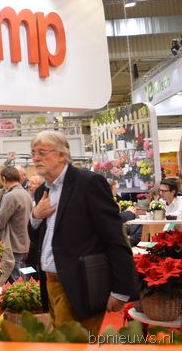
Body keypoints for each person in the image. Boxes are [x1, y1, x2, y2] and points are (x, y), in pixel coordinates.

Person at [28, 131, 137, 335]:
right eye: (33, 153)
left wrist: (121, 289)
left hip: (81, 286)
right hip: (50, 285)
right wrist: (35, 216)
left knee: (73, 344)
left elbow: (114, 237)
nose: (35, 158)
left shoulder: (88, 183)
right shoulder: (42, 191)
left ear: (62, 155)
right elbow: (38, 239)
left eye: (42, 152)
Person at [0, 166, 32, 283]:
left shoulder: (11, 196)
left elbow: (0, 222)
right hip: (24, 243)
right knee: (22, 278)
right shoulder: (26, 194)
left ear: (4, 179)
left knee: (14, 282)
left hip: (12, 244)